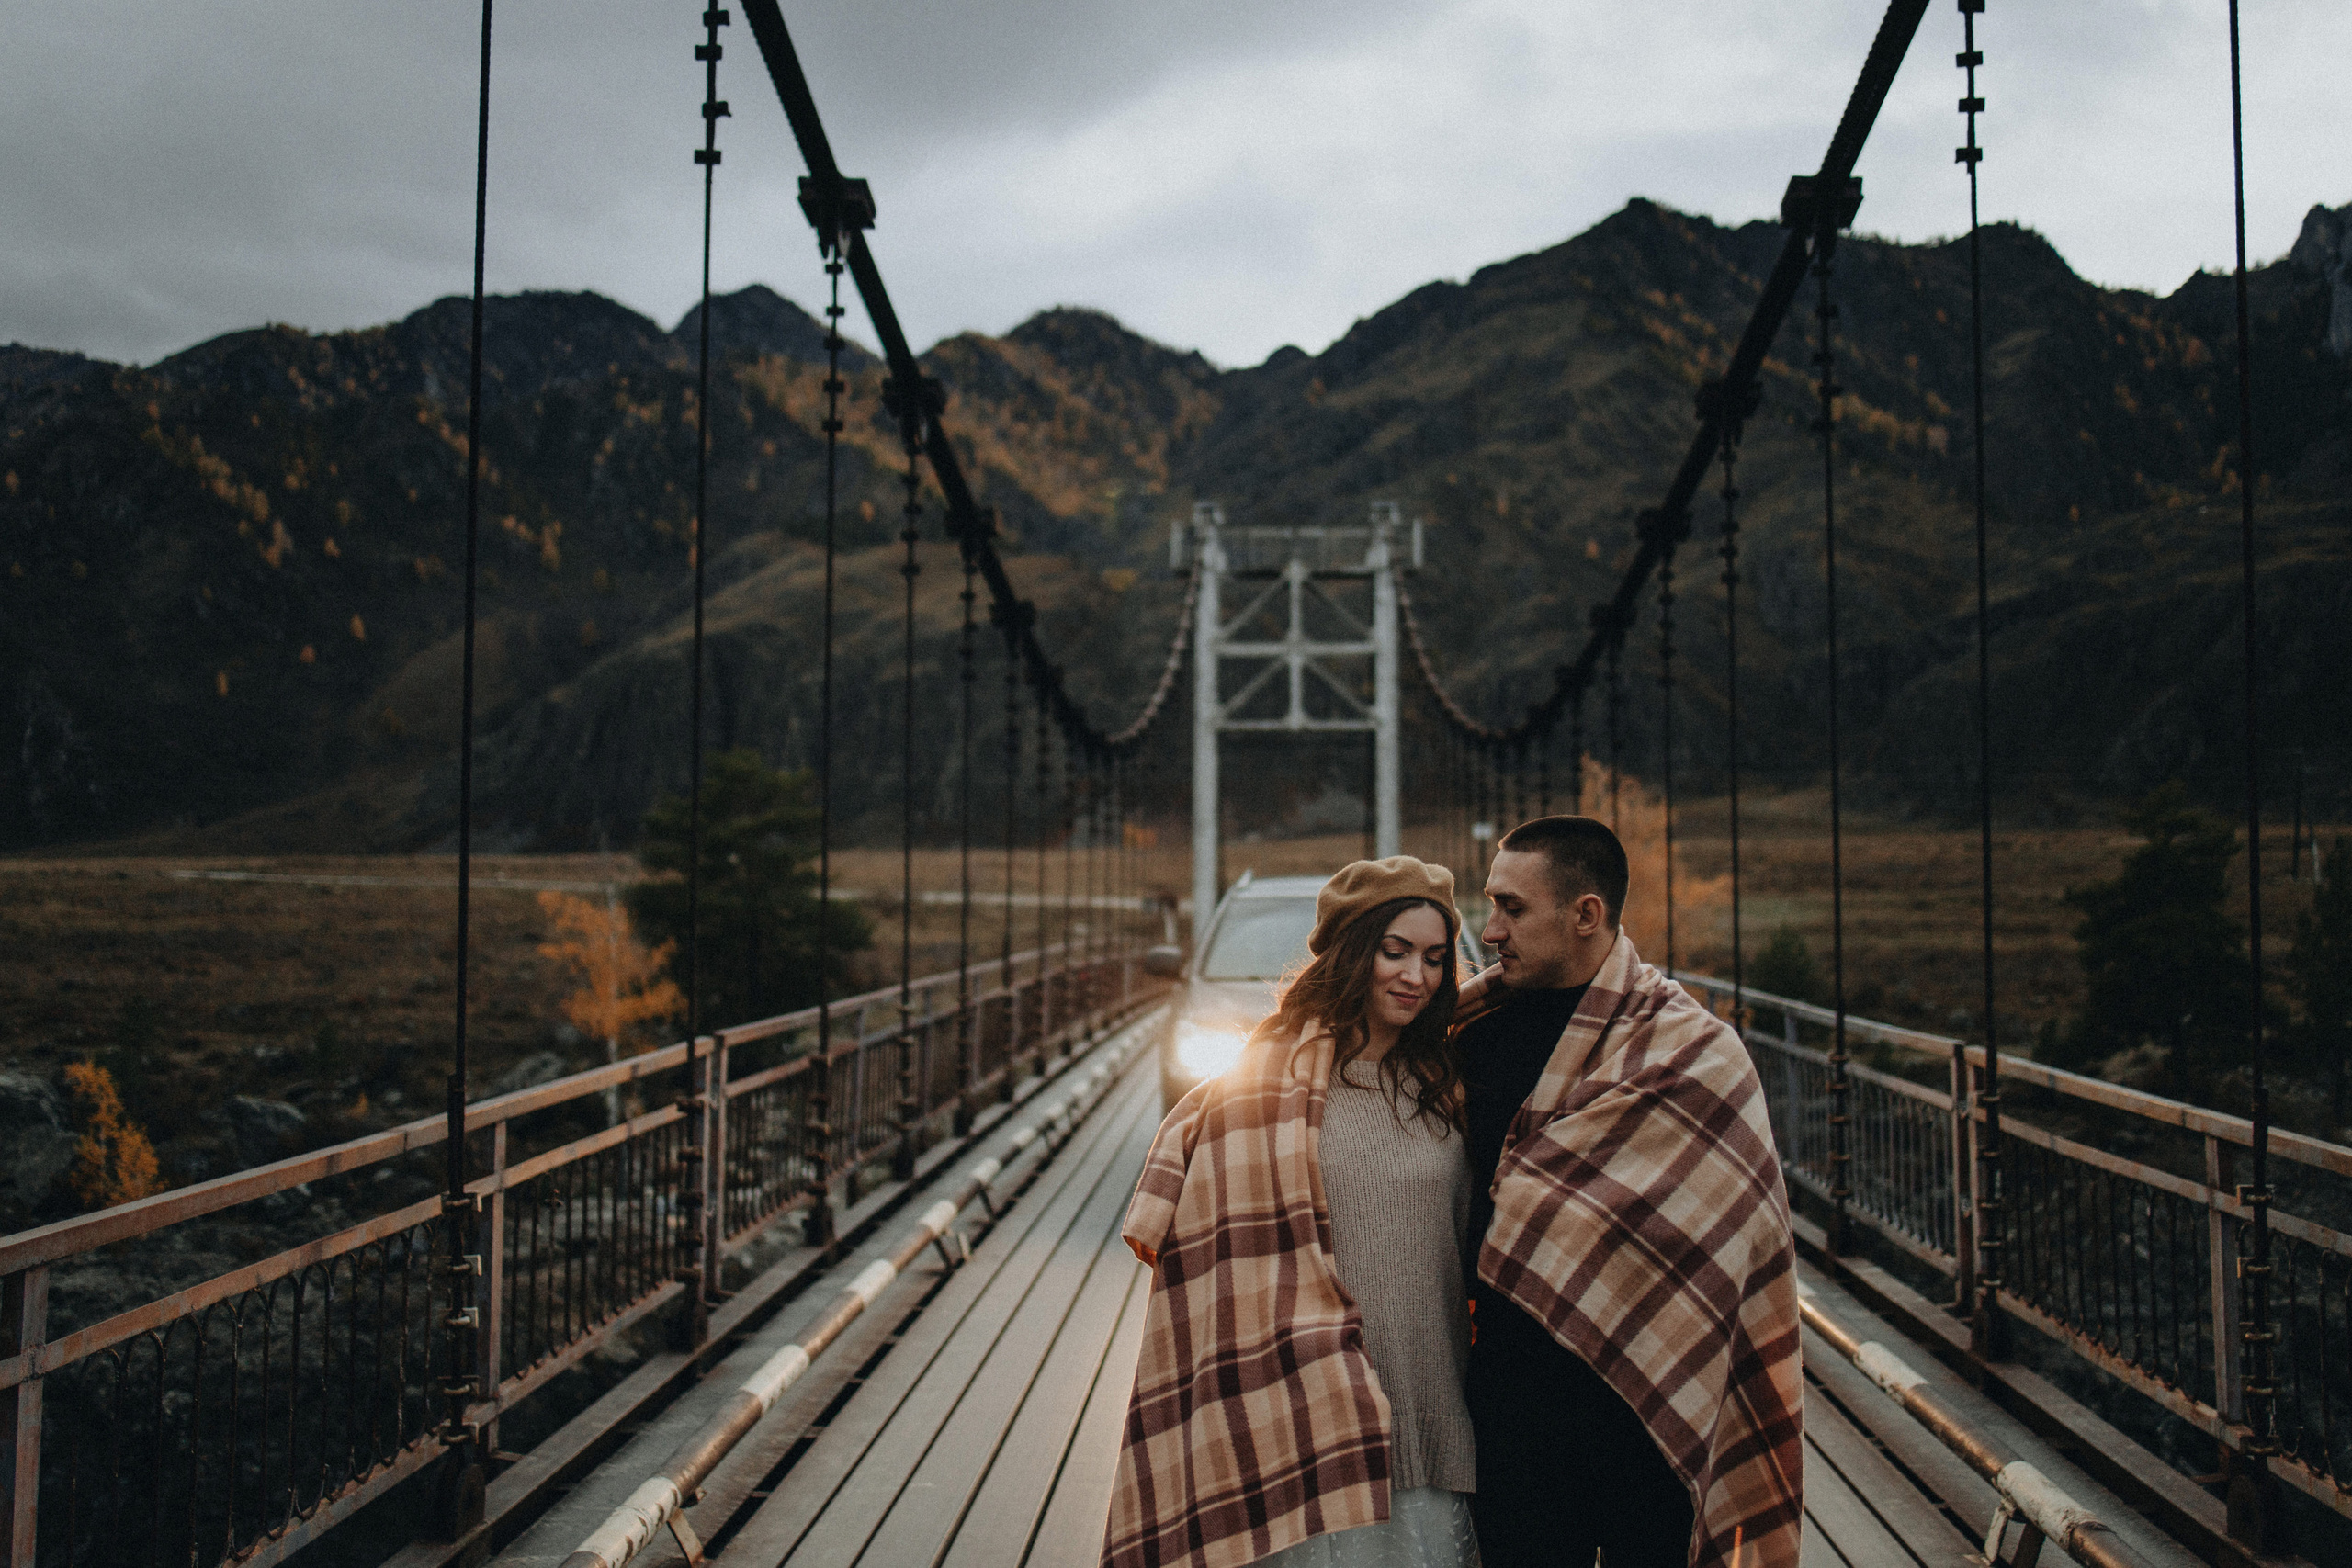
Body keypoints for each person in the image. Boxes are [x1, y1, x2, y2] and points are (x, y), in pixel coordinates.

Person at [1103, 856, 1483, 1568]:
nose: (1416, 975)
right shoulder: (1260, 1088)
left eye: (1434, 957)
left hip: (1429, 1401)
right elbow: (1222, 1274)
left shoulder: (1448, 1081)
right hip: (1309, 1411)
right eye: (1393, 950)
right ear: (1351, 952)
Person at [1453, 816, 1802, 1568]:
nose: (1489, 929)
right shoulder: (1464, 1036)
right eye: (1490, 904)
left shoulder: (1699, 1054)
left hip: (1653, 1405)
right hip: (1516, 1409)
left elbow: (1743, 1231)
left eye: (1512, 907)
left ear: (1586, 914)